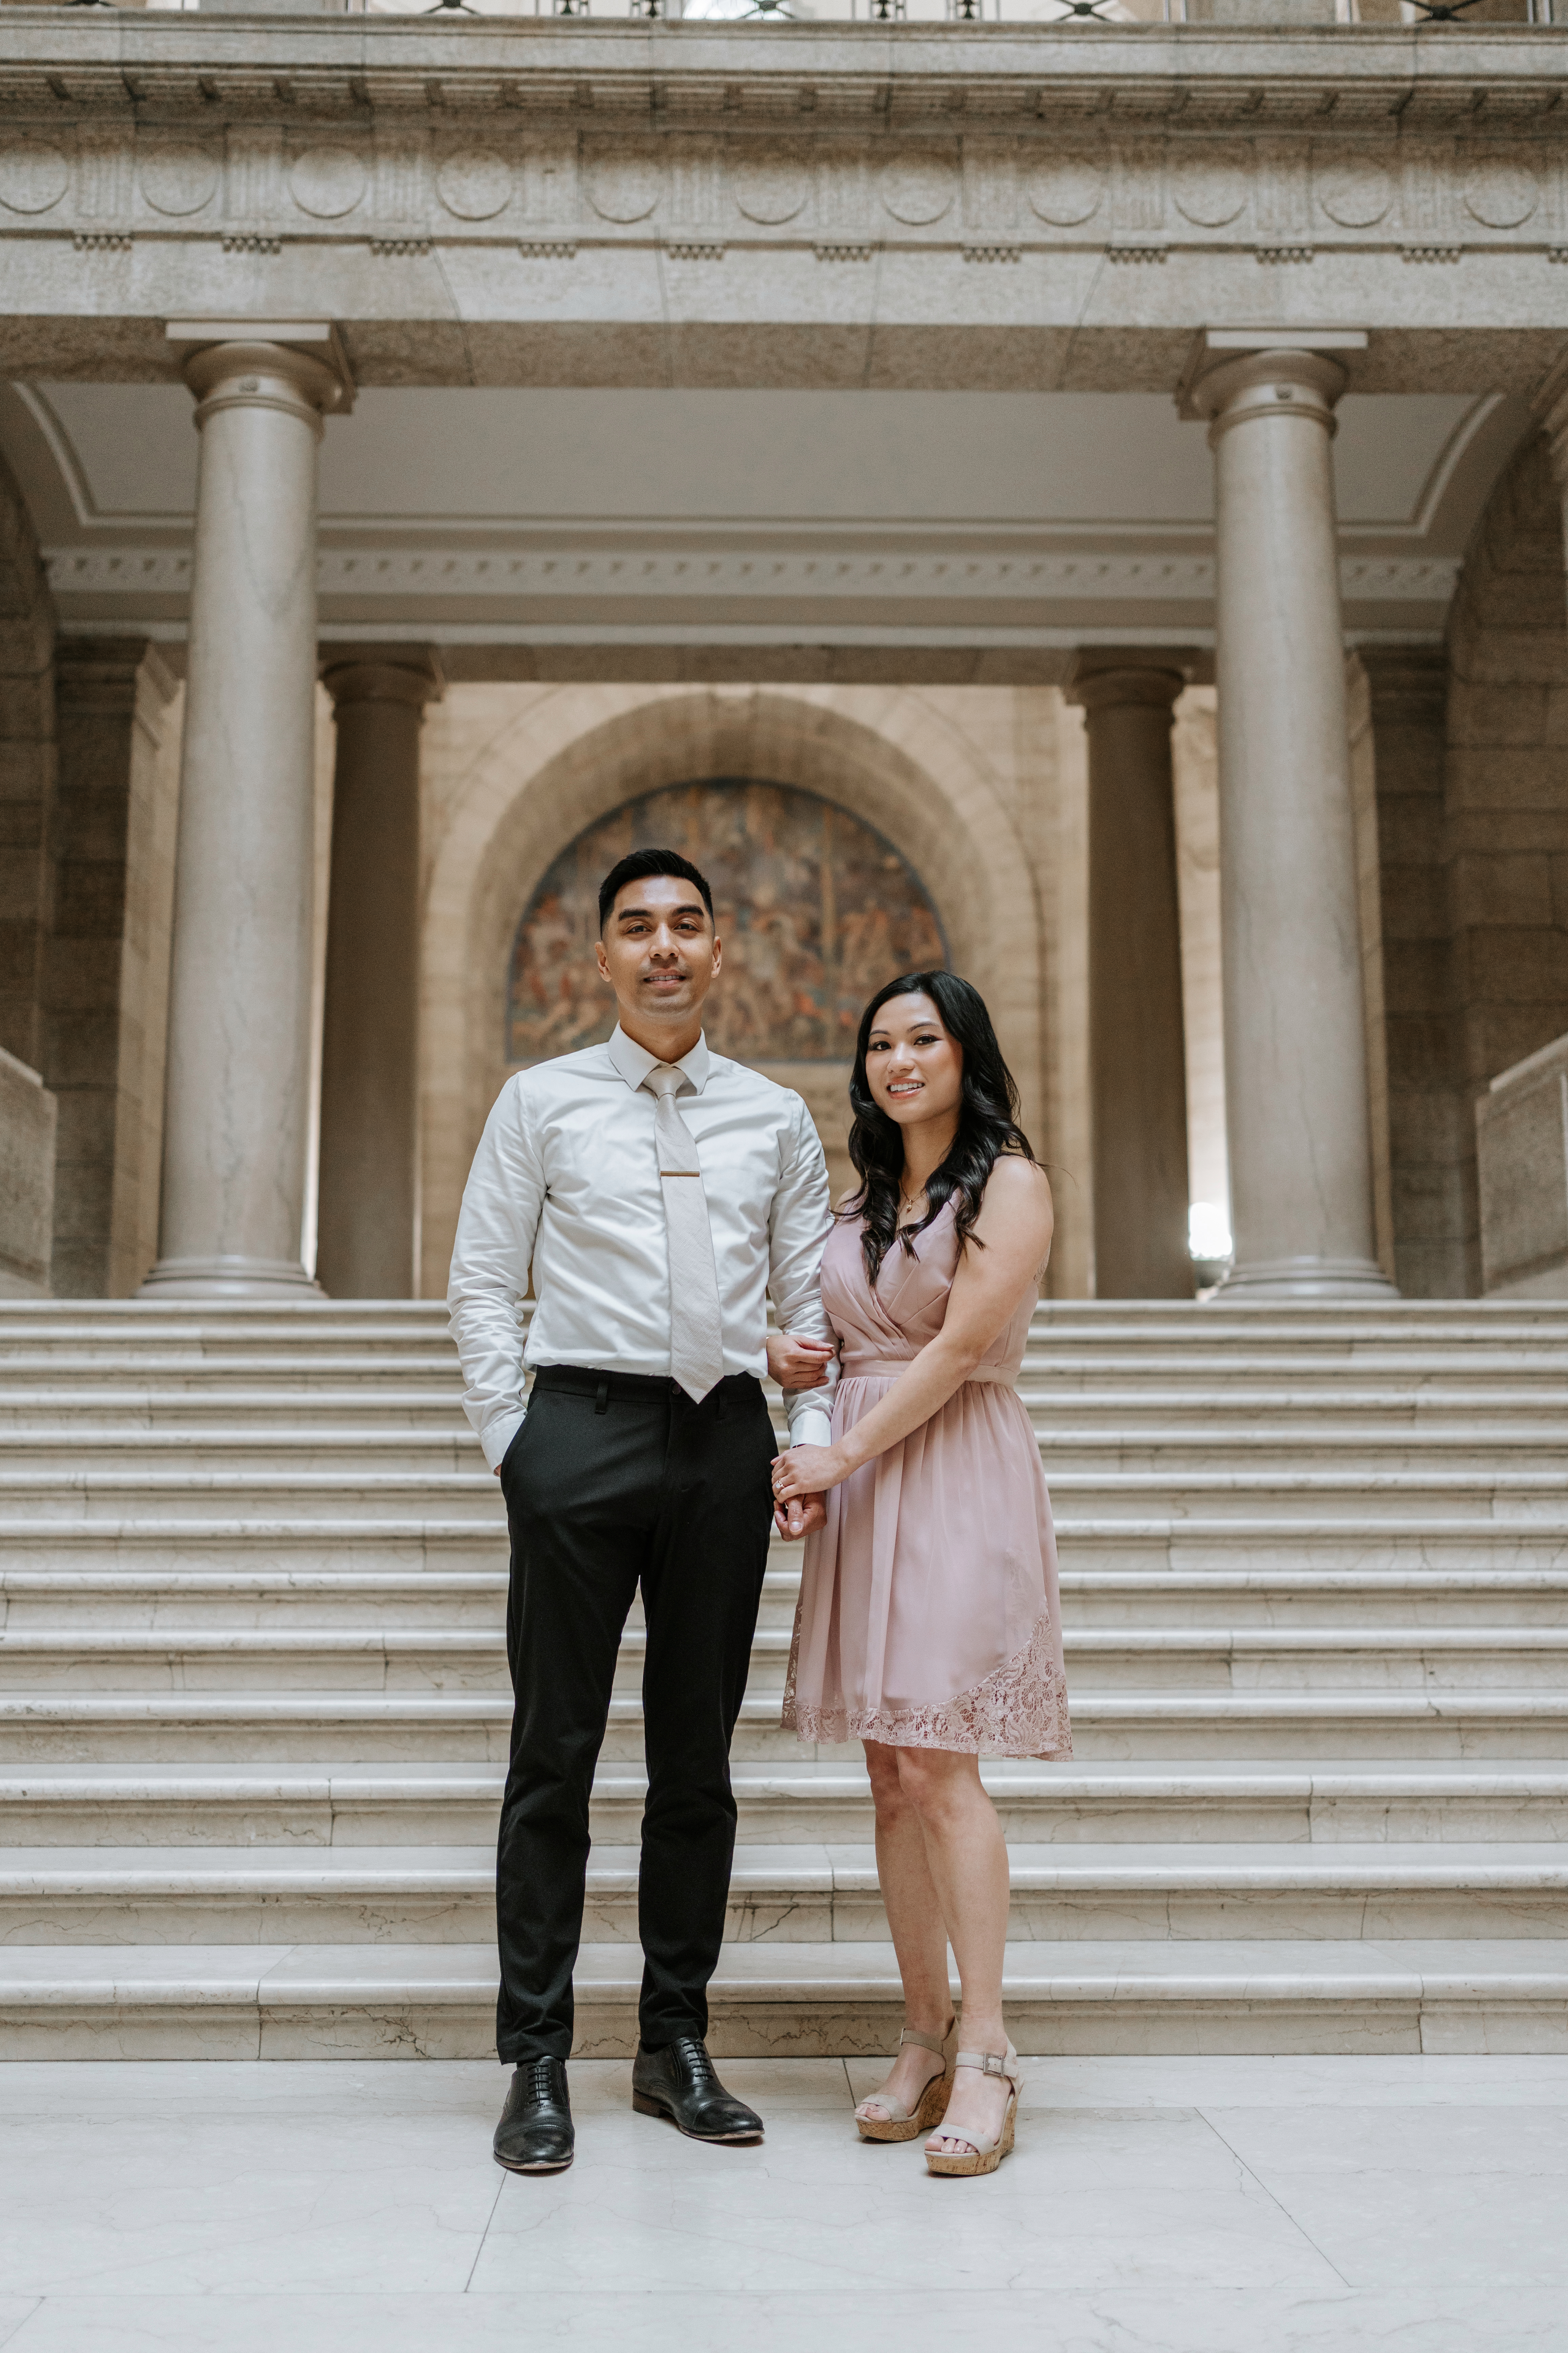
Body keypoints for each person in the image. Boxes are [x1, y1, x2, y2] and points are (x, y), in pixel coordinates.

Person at [449, 846, 837, 2176]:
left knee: (695, 1764)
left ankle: (672, 2043)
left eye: (685, 925)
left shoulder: (774, 1118)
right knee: (551, 1753)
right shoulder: (539, 1101)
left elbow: (809, 1309)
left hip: (723, 1439)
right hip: (579, 1433)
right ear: (599, 957)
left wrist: (807, 1444)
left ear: (719, 950)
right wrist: (518, 1443)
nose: (663, 946)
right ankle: (537, 2056)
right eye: (636, 927)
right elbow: (481, 1280)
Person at [774, 970, 1070, 2180]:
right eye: (880, 1044)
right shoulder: (861, 1200)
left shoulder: (1010, 1179)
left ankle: (990, 2048)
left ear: (964, 1053)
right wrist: (791, 1368)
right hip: (857, 1479)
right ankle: (920, 2032)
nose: (899, 1061)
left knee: (943, 1761)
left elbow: (953, 1350)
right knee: (889, 1771)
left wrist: (839, 1447)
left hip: (948, 1471)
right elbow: (836, 1343)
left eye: (923, 1040)